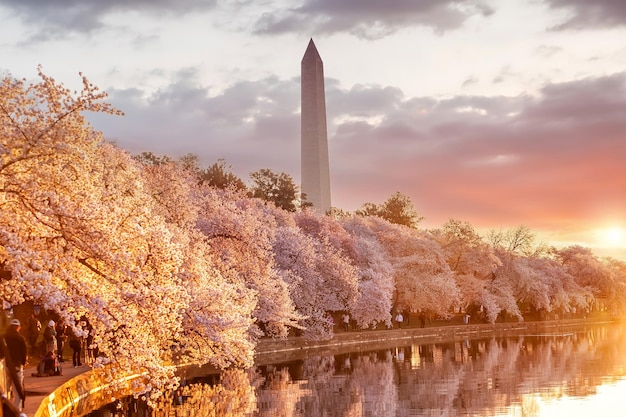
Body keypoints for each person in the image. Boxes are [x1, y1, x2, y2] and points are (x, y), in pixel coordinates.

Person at [2, 319, 27, 411]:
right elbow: (24, 353)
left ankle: (6, 409)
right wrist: (23, 364)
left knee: (6, 388)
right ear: (18, 327)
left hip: (6, 366)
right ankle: (17, 410)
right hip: (17, 365)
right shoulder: (20, 338)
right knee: (17, 390)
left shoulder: (3, 337)